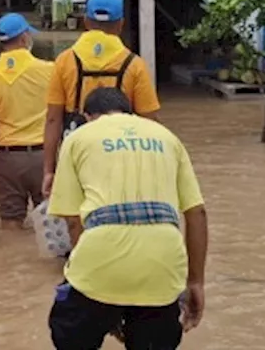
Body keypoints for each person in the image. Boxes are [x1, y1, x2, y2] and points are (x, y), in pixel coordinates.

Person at [47, 88, 208, 350]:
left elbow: (74, 221)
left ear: (88, 116)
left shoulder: (78, 138)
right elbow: (197, 214)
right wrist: (196, 282)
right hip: (163, 265)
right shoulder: (167, 137)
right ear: (130, 113)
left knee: (70, 332)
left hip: (99, 261)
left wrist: (100, 290)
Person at [43, 0, 159, 198]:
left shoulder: (65, 60)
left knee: (78, 216)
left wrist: (49, 170)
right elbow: (149, 122)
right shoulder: (134, 65)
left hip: (77, 153)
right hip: (122, 154)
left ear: (86, 21)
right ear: (121, 23)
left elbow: (53, 119)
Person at [0, 12, 54, 229]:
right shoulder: (49, 71)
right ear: (25, 38)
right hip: (44, 157)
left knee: (10, 224)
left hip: (8, 160)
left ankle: (10, 259)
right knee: (50, 223)